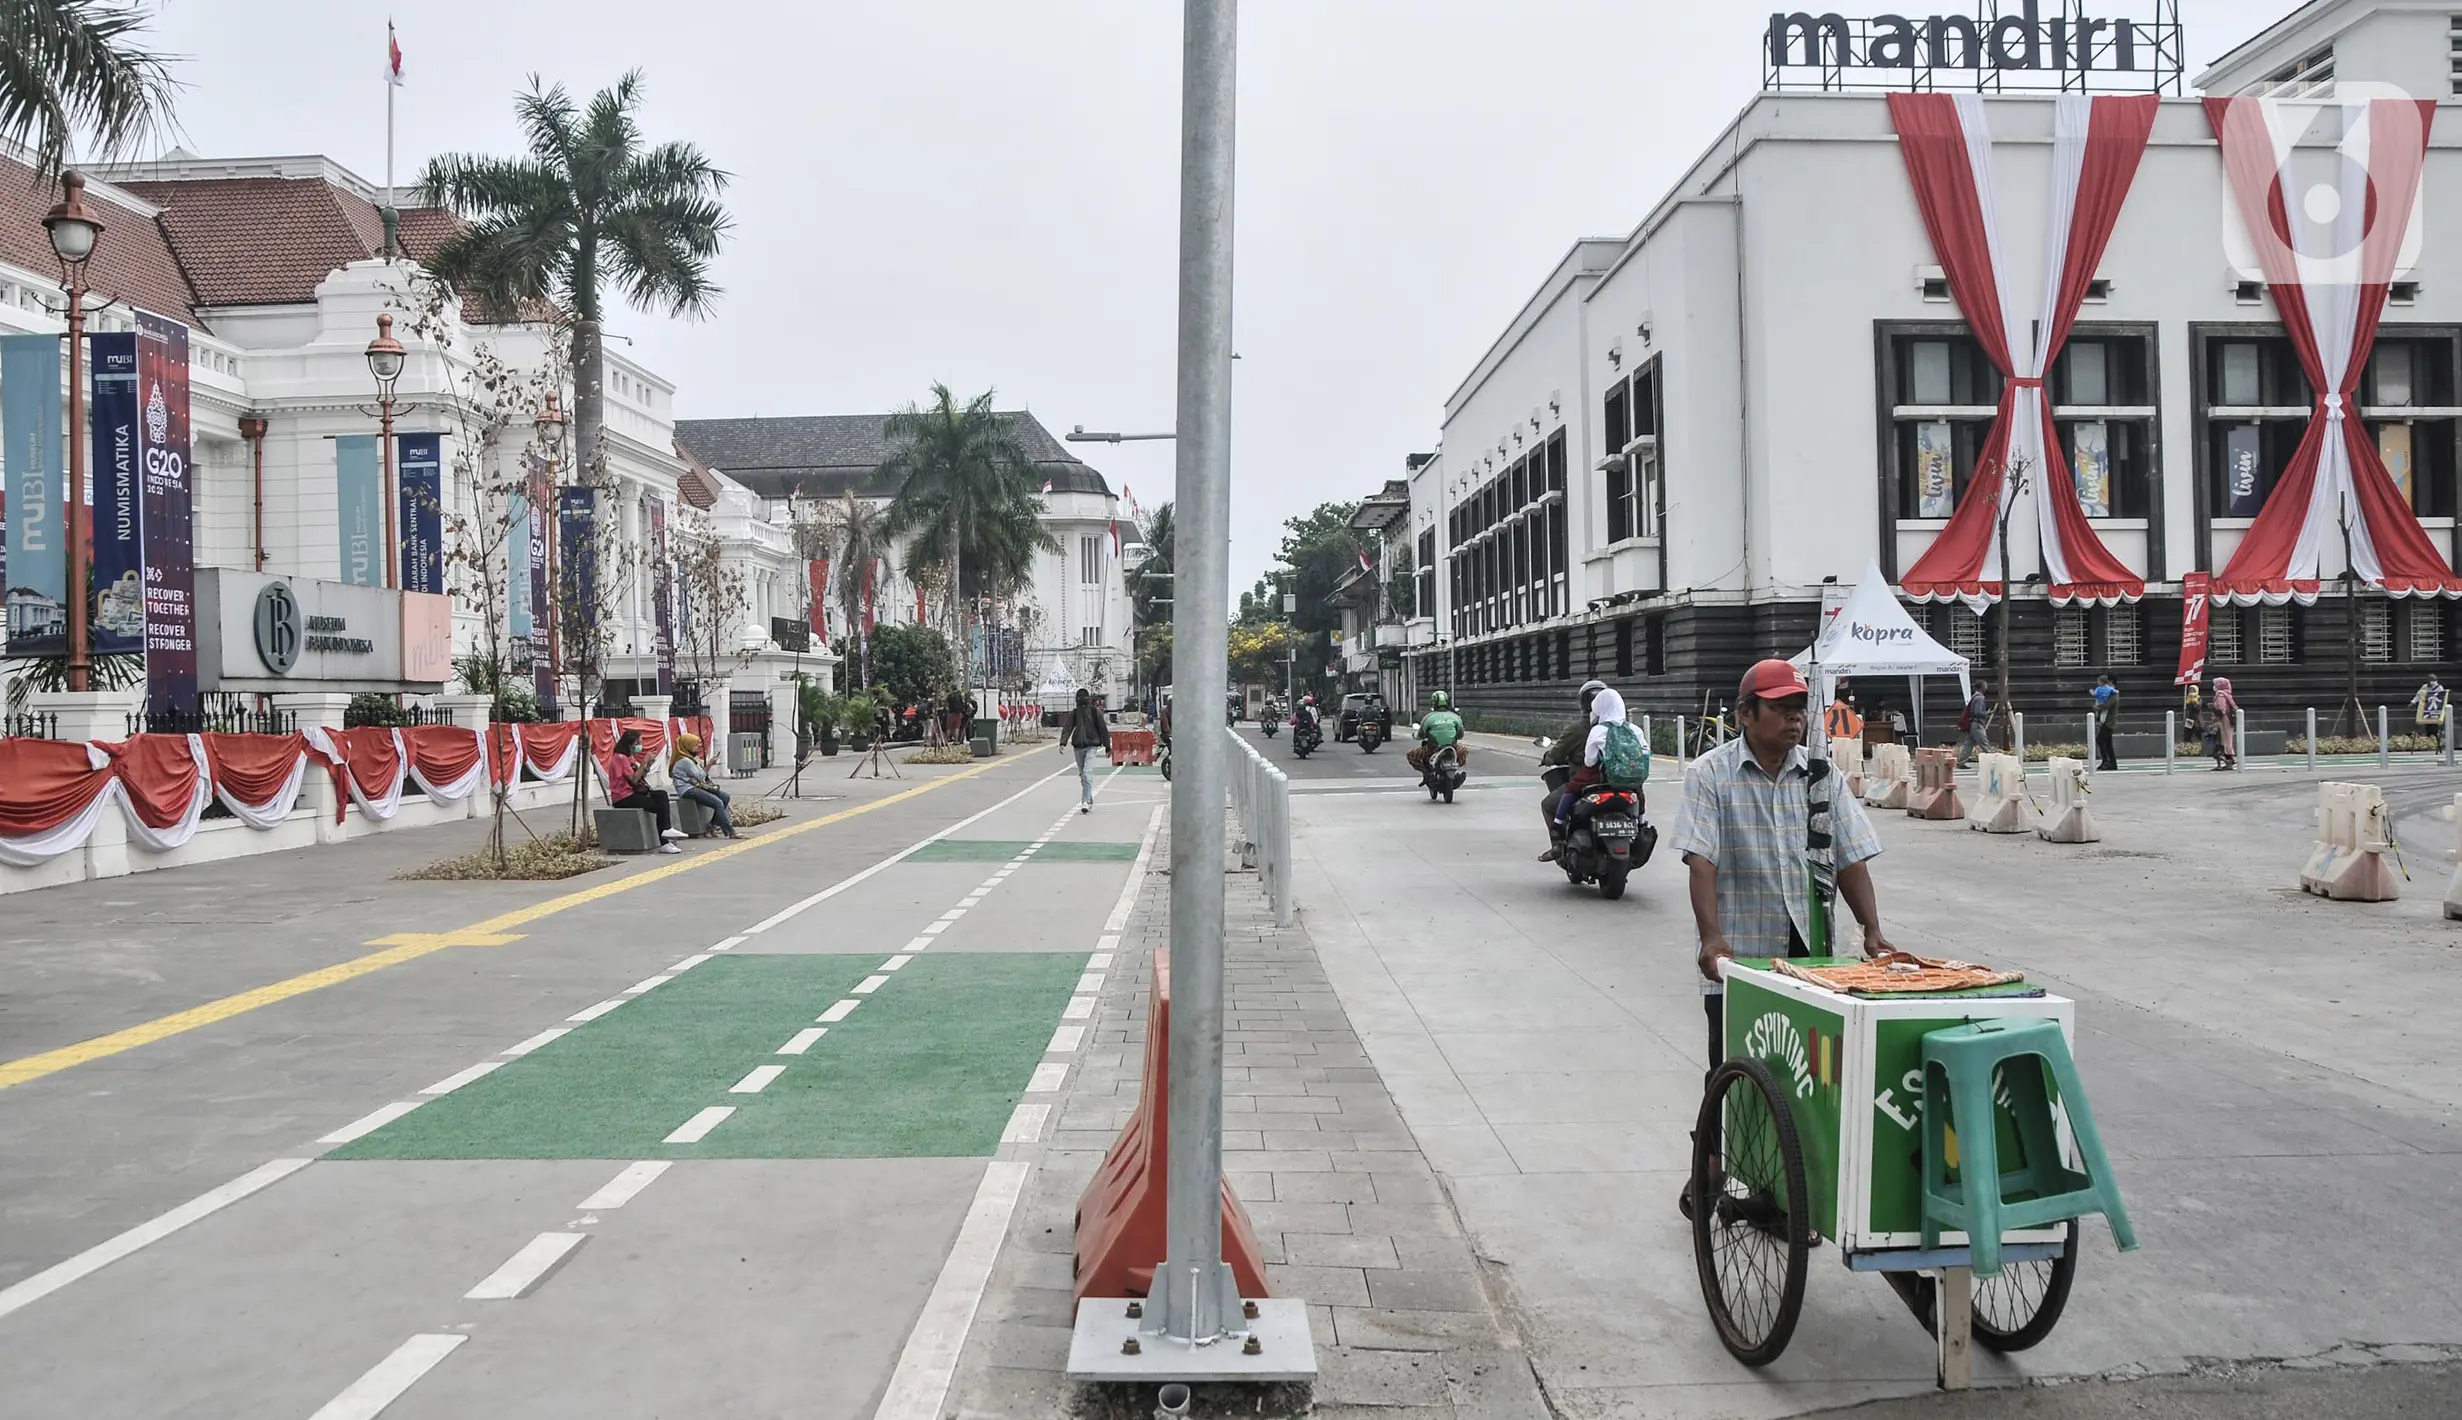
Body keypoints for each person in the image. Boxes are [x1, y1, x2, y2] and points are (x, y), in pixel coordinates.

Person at [1673, 658, 1890, 1064]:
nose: (1793, 718)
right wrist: (1711, 938)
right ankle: (1715, 1129)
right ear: (1745, 714)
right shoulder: (1710, 774)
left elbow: (1850, 859)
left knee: (1809, 1070)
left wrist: (1871, 930)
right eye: (1779, 708)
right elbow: (1701, 859)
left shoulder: (1821, 775)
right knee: (1734, 1068)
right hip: (1739, 955)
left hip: (1812, 952)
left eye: (1799, 708)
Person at [1542, 686, 1647, 858]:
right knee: (1639, 792)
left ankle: (1557, 831)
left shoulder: (1593, 729)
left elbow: (1589, 761)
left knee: (1569, 790)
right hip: (1627, 778)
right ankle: (1642, 824)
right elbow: (1645, 752)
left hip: (1597, 779)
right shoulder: (1633, 729)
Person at [1538, 680, 1610, 841]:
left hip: (1587, 784)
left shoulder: (1576, 729)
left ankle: (1557, 844)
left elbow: (1556, 755)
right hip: (1618, 782)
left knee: (1548, 806)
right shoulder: (1620, 727)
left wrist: (1547, 758)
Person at [607, 728, 685, 853]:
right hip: (623, 797)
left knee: (662, 795)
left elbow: (640, 777)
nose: (640, 746)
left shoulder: (629, 757)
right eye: (638, 742)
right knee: (659, 806)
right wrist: (643, 761)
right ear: (630, 743)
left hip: (633, 792)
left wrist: (647, 765)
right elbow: (633, 780)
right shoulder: (620, 758)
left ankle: (667, 830)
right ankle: (664, 841)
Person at [669, 732, 737, 839]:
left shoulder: (691, 759)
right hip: (687, 790)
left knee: (725, 797)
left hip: (696, 786)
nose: (697, 748)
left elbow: (700, 776)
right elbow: (700, 776)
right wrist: (709, 764)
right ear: (687, 746)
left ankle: (712, 825)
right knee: (718, 802)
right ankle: (730, 831)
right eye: (695, 745)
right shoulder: (685, 761)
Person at [1061, 687, 1111, 812]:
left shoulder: (1095, 712)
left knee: (1087, 773)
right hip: (1078, 747)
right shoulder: (1074, 713)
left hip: (1091, 746)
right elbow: (1067, 728)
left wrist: (1107, 746)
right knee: (1083, 775)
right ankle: (1089, 798)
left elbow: (1103, 729)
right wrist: (1063, 742)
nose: (1082, 700)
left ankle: (1085, 801)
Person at [1408, 690, 1467, 774]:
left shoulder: (1428, 717)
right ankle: (1455, 766)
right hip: (1452, 747)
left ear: (1433, 703)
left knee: (1411, 755)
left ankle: (1427, 773)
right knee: (1464, 750)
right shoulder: (1455, 717)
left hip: (1432, 749)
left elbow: (1420, 735)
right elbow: (1460, 735)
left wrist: (1414, 735)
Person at [2092, 674, 2120, 772]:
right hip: (2105, 720)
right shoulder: (2107, 692)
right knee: (2107, 742)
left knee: (2100, 739)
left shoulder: (2113, 693)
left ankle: (2106, 761)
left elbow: (2107, 705)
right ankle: (2112, 762)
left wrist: (2098, 707)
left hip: (2109, 721)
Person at [2211, 676, 2239, 770]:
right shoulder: (2227, 694)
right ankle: (2229, 761)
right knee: (2228, 740)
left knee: (2223, 741)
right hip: (2228, 720)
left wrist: (2214, 714)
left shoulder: (2221, 695)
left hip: (2223, 721)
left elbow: (2221, 710)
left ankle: (2228, 761)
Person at [1958, 685, 1990, 766]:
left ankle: (1961, 762)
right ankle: (1994, 761)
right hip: (1977, 724)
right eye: (1985, 686)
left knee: (1968, 744)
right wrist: (1986, 713)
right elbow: (1977, 712)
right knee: (1985, 744)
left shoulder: (1974, 697)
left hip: (1972, 724)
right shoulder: (1980, 698)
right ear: (1982, 687)